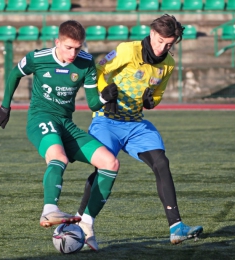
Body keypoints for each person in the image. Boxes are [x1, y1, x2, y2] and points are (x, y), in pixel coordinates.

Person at [76, 14, 203, 249]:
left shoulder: (168, 64)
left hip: (135, 123)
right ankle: (84, 223)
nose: (163, 48)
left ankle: (176, 228)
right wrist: (105, 93)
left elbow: (156, 96)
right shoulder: (127, 50)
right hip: (106, 120)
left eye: (169, 44)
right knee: (105, 167)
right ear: (152, 34)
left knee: (161, 162)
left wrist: (151, 101)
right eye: (161, 41)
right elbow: (96, 71)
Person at [0, 20, 120, 251]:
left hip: (66, 124)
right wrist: (5, 107)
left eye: (78, 47)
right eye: (68, 47)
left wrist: (105, 97)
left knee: (110, 162)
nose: (73, 53)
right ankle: (49, 210)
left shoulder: (86, 62)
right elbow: (14, 74)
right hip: (40, 119)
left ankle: (86, 224)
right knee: (58, 157)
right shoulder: (38, 58)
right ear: (57, 42)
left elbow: (92, 104)